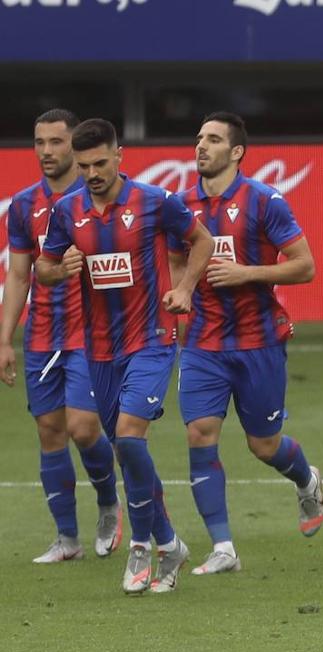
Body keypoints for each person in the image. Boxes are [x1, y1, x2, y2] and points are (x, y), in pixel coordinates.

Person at [36, 118, 216, 594]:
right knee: (125, 452)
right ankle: (171, 543)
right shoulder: (67, 211)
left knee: (131, 438)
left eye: (101, 162)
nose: (93, 172)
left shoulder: (155, 202)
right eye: (85, 165)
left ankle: (140, 546)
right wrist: (60, 269)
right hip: (99, 350)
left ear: (119, 157)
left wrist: (184, 287)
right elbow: (44, 267)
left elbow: (203, 241)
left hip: (152, 339)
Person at [173, 112, 323, 576]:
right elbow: (177, 262)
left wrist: (248, 273)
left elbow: (305, 266)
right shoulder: (180, 206)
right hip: (204, 343)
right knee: (199, 433)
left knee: (263, 445)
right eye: (199, 138)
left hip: (259, 341)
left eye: (213, 139)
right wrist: (181, 310)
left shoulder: (265, 202)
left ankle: (306, 478)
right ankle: (223, 547)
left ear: (236, 151)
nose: (201, 146)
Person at [0, 109, 122, 563]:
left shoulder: (95, 195)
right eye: (39, 142)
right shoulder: (23, 205)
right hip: (42, 335)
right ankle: (67, 539)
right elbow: (18, 276)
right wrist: (4, 339)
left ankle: (109, 503)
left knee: (82, 426)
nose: (47, 151)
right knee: (50, 431)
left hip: (92, 333)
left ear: (75, 145)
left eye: (56, 142)